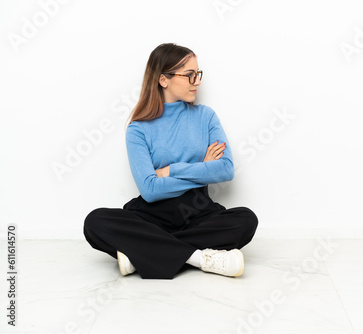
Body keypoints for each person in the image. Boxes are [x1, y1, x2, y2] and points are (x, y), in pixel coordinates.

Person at [83, 43, 258, 279]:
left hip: (197, 211)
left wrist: (169, 171)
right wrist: (203, 168)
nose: (197, 81)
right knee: (95, 222)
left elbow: (225, 170)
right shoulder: (138, 129)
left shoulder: (206, 116)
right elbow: (150, 190)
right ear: (163, 79)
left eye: (198, 74)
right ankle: (200, 258)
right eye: (189, 75)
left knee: (246, 220)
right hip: (152, 216)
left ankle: (140, 253)